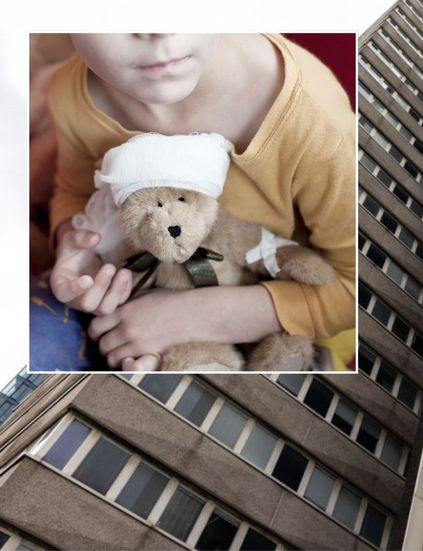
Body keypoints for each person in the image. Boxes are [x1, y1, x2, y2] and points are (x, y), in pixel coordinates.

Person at [35, 33, 354, 371]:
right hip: (137, 304)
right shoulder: (71, 91)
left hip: (292, 309)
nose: (155, 28)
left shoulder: (313, 120)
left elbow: (352, 292)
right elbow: (73, 191)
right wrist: (79, 243)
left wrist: (197, 315)